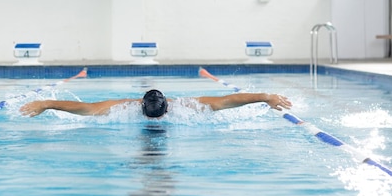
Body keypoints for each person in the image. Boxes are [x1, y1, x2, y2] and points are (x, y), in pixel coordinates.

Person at [19, 89, 292, 118]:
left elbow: (87, 109)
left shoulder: (123, 109)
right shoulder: (187, 107)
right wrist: (48, 103)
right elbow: (227, 101)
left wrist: (48, 103)